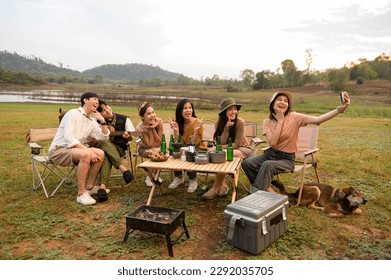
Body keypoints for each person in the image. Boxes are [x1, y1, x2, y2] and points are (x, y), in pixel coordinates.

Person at [242, 91, 350, 193]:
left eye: (286, 101)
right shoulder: (267, 122)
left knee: (267, 165)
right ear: (272, 103)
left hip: (286, 159)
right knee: (247, 163)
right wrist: (280, 122)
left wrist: (340, 109)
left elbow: (318, 120)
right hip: (270, 154)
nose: (283, 102)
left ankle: (254, 195)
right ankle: (267, 190)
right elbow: (273, 143)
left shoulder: (294, 117)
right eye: (279, 99)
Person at [48, 92, 110, 205]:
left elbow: (103, 137)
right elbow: (69, 138)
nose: (97, 102)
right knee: (86, 154)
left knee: (100, 153)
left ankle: (90, 187)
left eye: (98, 100)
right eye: (94, 99)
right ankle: (81, 194)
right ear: (85, 100)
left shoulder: (91, 120)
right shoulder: (72, 114)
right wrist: (86, 151)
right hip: (58, 150)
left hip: (74, 150)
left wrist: (103, 121)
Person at [202, 98, 254, 199]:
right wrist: (226, 128)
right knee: (221, 154)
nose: (233, 112)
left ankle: (215, 188)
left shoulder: (240, 122)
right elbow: (220, 142)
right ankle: (224, 185)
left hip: (243, 150)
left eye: (235, 109)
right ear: (224, 112)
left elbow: (236, 145)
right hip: (228, 151)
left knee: (222, 153)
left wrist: (217, 148)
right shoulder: (219, 123)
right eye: (230, 109)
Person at [168, 98, 206, 193]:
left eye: (190, 108)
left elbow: (194, 143)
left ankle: (193, 180)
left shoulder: (197, 123)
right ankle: (179, 177)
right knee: (176, 150)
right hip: (184, 148)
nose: (188, 110)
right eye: (185, 108)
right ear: (180, 110)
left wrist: (196, 130)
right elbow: (178, 142)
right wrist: (176, 131)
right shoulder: (179, 123)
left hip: (198, 148)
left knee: (190, 151)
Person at [95, 100, 135, 190]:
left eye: (107, 107)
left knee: (105, 153)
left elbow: (131, 138)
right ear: (99, 114)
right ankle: (123, 169)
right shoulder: (96, 121)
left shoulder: (124, 119)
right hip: (101, 149)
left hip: (119, 148)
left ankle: (102, 187)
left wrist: (128, 137)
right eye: (103, 110)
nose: (107, 110)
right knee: (104, 143)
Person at [135, 102, 164, 186]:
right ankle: (150, 177)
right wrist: (151, 129)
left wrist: (154, 128)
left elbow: (159, 142)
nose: (152, 115)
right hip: (144, 149)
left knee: (157, 150)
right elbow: (150, 145)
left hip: (158, 147)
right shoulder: (139, 128)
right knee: (154, 151)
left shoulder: (159, 122)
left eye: (153, 112)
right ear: (142, 117)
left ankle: (155, 174)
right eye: (148, 114)